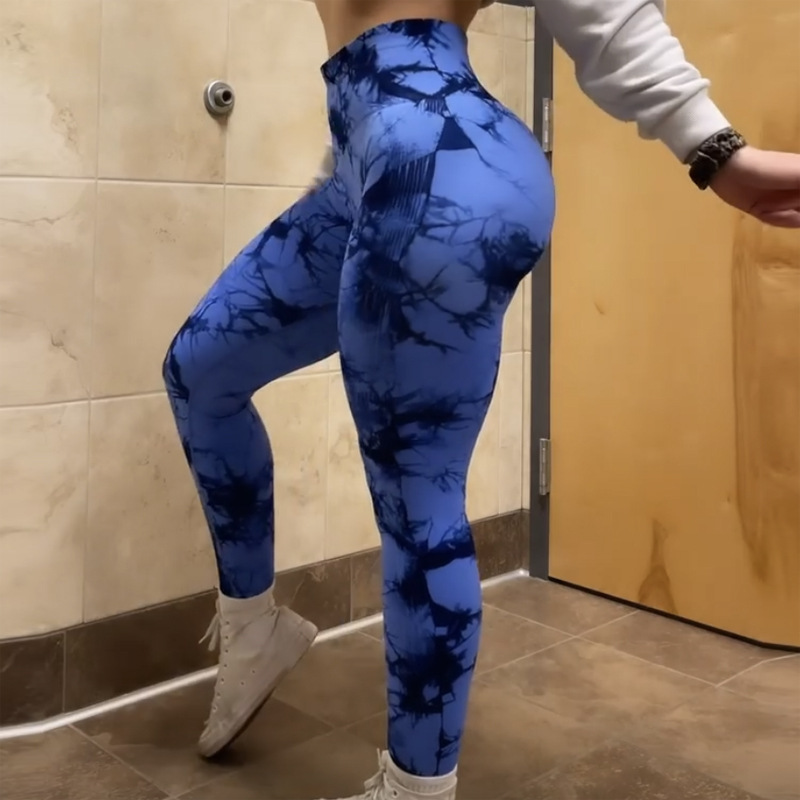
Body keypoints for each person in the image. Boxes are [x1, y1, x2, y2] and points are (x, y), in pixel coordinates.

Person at [162, 0, 800, 797]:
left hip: (441, 162)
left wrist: (713, 146)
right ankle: (253, 627)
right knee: (200, 369)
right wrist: (347, 158)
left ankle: (416, 788)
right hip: (373, 157)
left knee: (417, 496)